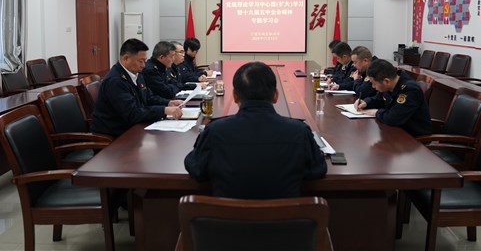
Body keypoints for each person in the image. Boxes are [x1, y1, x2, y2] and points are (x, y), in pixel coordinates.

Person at [184, 61, 327, 199]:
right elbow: (318, 169)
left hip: (227, 222)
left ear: (234, 96)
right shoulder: (299, 132)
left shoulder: (215, 131)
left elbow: (197, 169)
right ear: (276, 96)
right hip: (285, 222)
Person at [91, 38, 183, 137]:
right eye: (140, 61)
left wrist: (168, 103)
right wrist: (164, 110)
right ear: (126, 59)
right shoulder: (115, 81)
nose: (144, 65)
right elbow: (132, 114)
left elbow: (149, 98)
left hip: (133, 129)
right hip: (114, 137)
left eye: (145, 61)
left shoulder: (137, 74)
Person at [354, 59, 431, 136]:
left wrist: (377, 112)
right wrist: (366, 102)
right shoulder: (390, 85)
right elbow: (378, 99)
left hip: (414, 138)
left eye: (374, 83)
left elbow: (393, 118)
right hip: (396, 131)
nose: (373, 87)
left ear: (386, 81)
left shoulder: (410, 90)